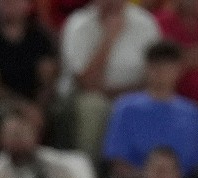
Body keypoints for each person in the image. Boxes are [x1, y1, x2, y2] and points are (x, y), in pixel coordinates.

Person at [58, 0, 161, 154]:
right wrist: (110, 38)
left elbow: (155, 75)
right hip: (83, 97)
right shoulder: (78, 24)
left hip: (133, 95)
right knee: (95, 106)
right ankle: (90, 172)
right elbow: (87, 83)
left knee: (153, 104)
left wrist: (125, 96)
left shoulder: (145, 23)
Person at [102, 41, 198, 178]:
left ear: (178, 70)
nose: (161, 72)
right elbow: (117, 161)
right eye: (156, 67)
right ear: (146, 68)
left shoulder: (193, 113)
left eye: (167, 67)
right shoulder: (126, 108)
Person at [0, 0, 57, 119]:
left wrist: (38, 108)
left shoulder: (41, 39)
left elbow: (47, 83)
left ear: (28, 5)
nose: (9, 3)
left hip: (38, 105)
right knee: (12, 125)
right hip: (0, 103)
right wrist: (24, 107)